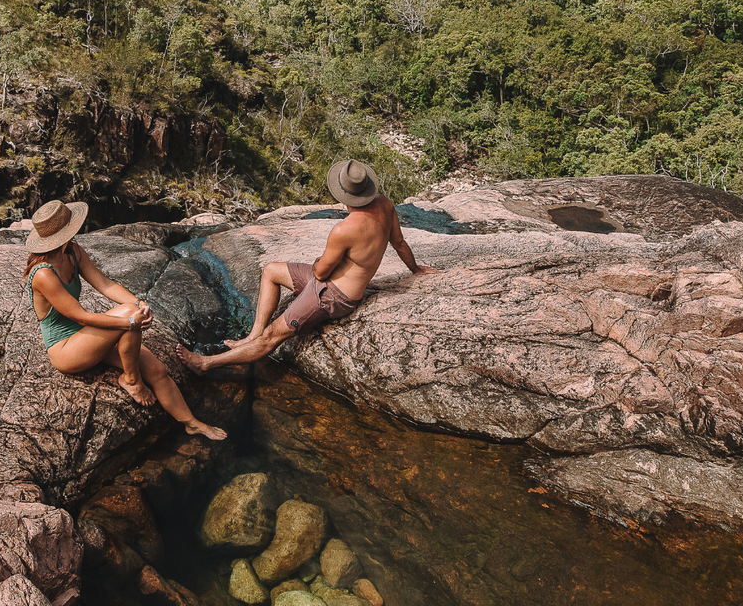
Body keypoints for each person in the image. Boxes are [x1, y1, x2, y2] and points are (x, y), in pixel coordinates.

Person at [183, 160, 436, 372]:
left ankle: (205, 364)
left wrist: (317, 264)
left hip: (334, 296)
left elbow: (320, 272)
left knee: (272, 337)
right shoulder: (385, 204)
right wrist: (416, 270)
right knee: (270, 270)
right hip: (329, 285)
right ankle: (252, 336)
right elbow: (399, 243)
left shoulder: (344, 229)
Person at [24, 199, 226, 440]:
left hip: (87, 336)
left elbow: (105, 284)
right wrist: (129, 323)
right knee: (130, 316)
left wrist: (139, 303)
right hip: (66, 350)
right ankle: (131, 380)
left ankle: (191, 423)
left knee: (157, 369)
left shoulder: (73, 252)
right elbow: (79, 315)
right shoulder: (43, 274)